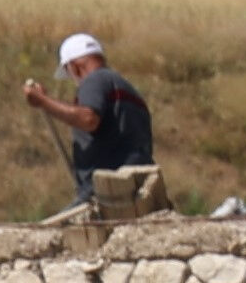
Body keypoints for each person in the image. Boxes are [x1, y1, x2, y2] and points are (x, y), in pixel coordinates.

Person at [22, 33, 157, 213]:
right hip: (136, 185)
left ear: (75, 67)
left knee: (49, 235)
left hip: (108, 189)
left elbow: (88, 118)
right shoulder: (128, 90)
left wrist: (43, 102)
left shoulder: (95, 80)